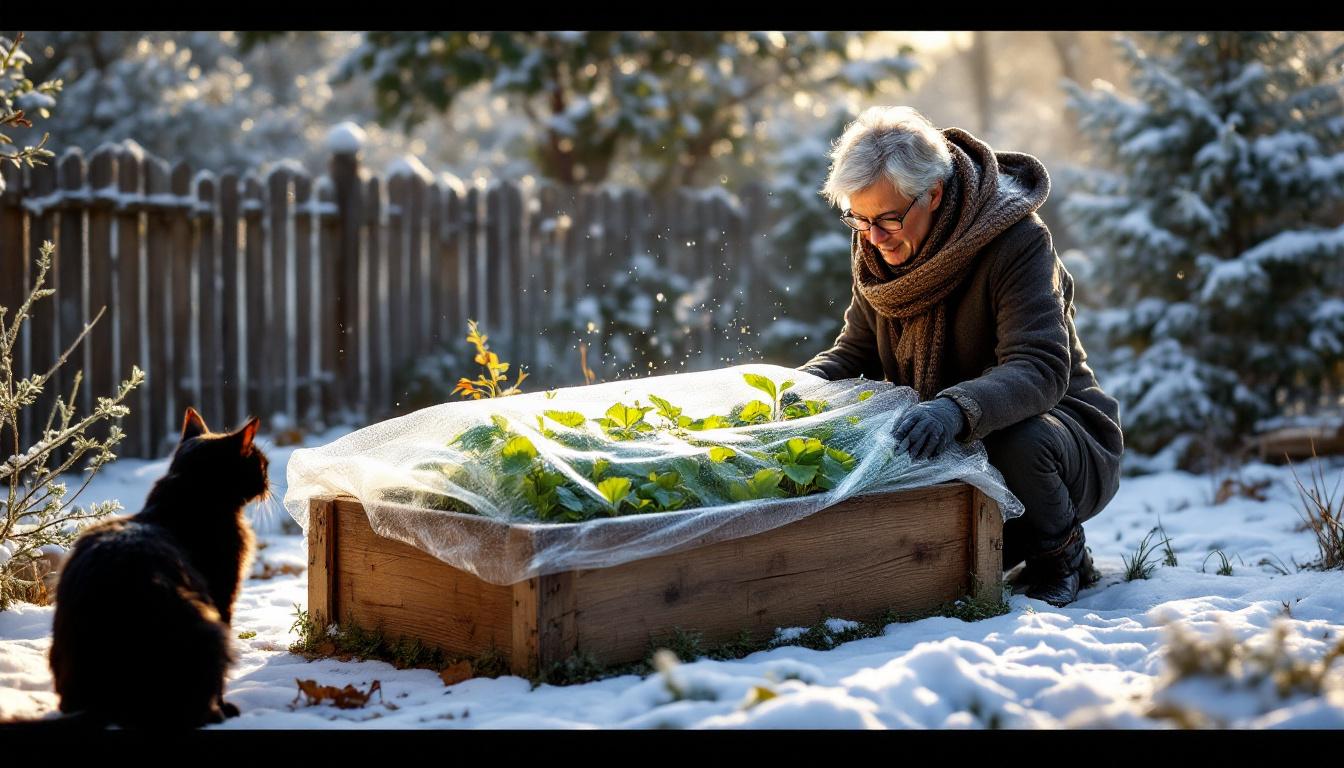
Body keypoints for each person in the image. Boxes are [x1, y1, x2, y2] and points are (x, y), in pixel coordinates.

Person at [797, 106, 1124, 607]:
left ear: (932, 193)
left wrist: (954, 409)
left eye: (887, 219)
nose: (873, 237)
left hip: (1056, 438)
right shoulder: (878, 244)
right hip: (947, 440)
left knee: (1022, 439)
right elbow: (856, 352)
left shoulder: (1016, 239)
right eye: (859, 219)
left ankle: (1061, 553)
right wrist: (795, 389)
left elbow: (1039, 368)